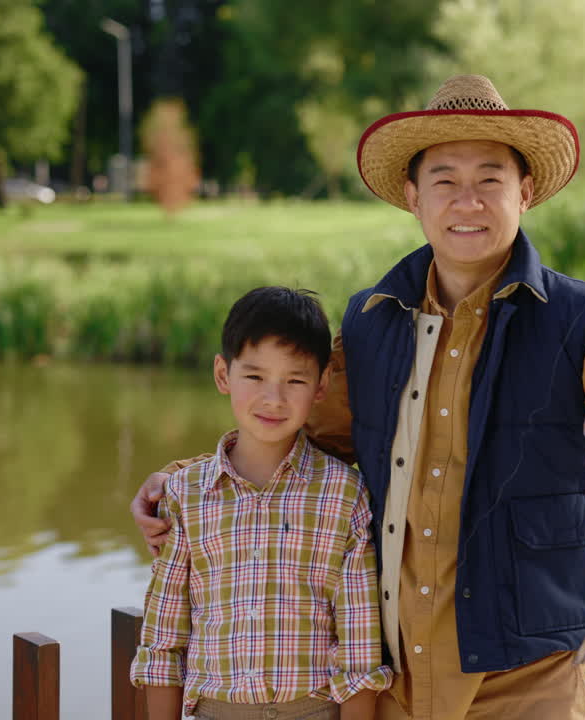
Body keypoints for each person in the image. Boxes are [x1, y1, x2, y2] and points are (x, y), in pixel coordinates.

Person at [132, 75, 585, 719]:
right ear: (413, 197)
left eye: (490, 179)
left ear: (526, 192)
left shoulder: (583, 319)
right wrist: (185, 481)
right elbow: (296, 434)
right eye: (444, 180)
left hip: (528, 681)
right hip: (401, 675)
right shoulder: (372, 321)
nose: (468, 200)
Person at [130, 286, 392, 720]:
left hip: (315, 710)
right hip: (216, 710)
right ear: (222, 375)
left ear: (322, 384)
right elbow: (163, 641)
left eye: (295, 380)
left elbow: (359, 648)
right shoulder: (186, 495)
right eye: (254, 377)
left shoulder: (344, 494)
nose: (274, 398)